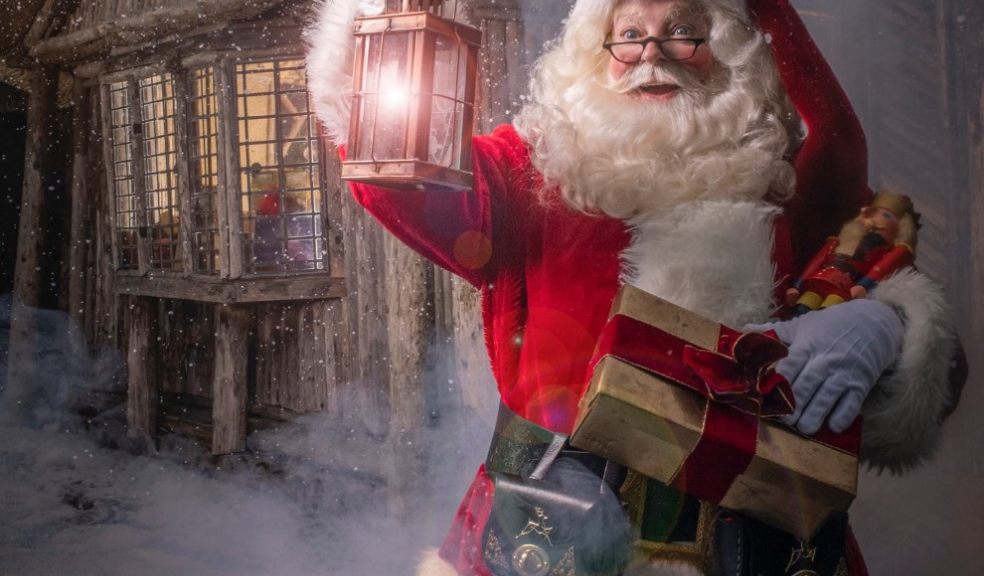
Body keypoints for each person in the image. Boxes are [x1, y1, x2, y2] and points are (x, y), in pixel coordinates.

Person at [307, 1, 963, 574]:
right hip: (558, 540)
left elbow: (932, 367)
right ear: (596, 56)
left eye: (683, 32)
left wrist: (885, 327)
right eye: (628, 35)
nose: (653, 54)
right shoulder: (524, 176)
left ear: (726, 51)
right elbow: (394, 172)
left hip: (756, 543)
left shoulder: (786, 183)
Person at [786, 191, 919, 315]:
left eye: (886, 215)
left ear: (902, 227)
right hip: (819, 280)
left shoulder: (884, 251)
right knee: (804, 306)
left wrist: (863, 285)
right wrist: (797, 286)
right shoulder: (838, 241)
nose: (874, 217)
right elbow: (816, 262)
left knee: (828, 312)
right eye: (874, 211)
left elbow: (883, 268)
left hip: (845, 288)